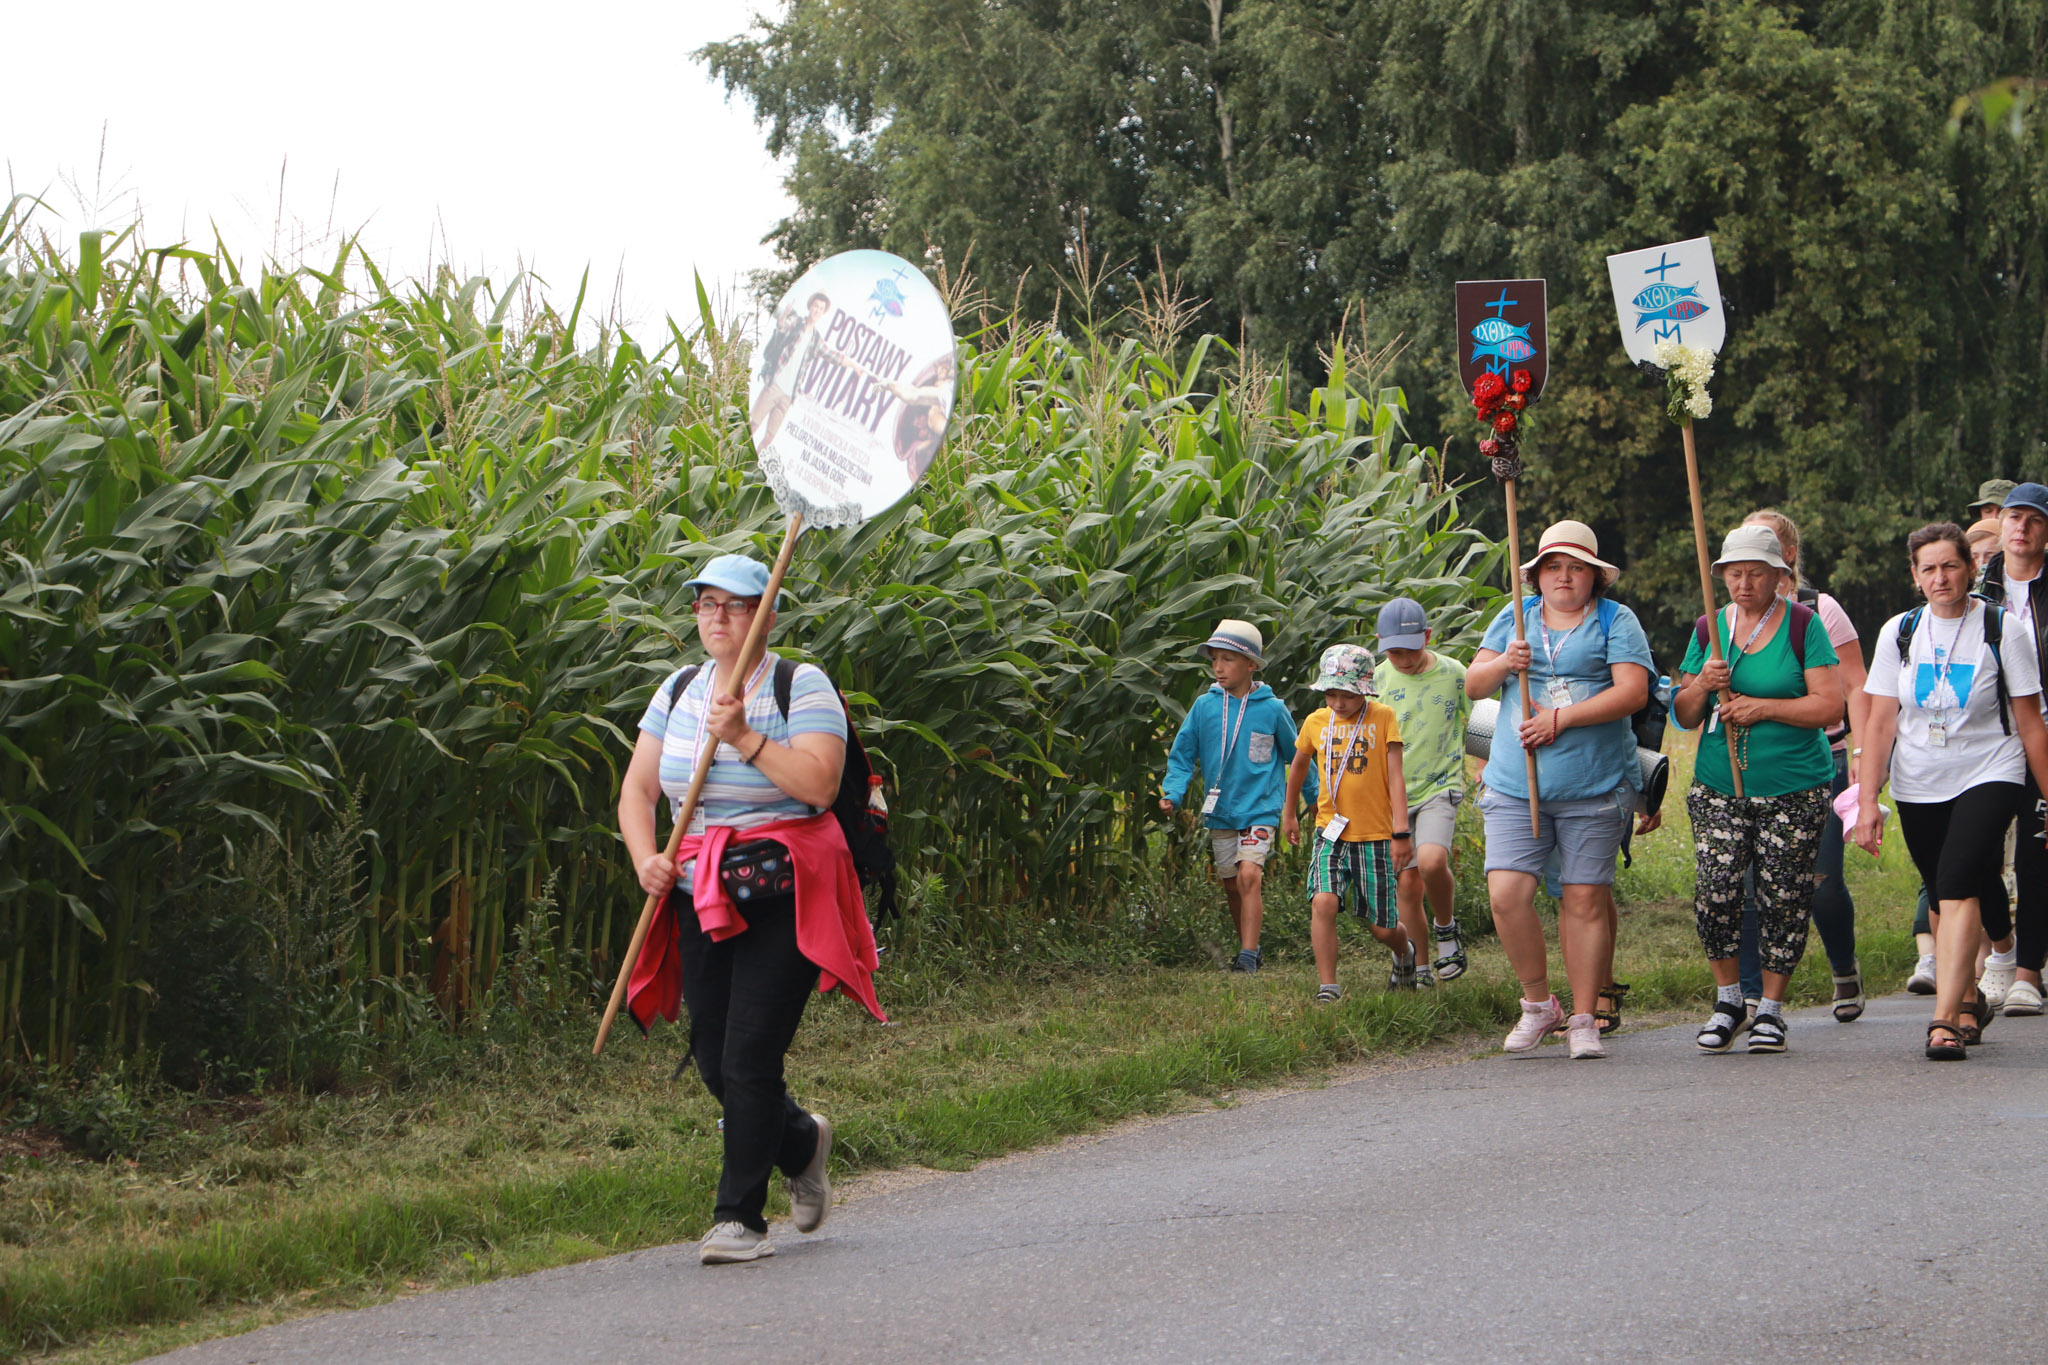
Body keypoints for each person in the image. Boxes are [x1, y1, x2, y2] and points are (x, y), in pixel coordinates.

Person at [618, 553, 883, 1264]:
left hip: (786, 895)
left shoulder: (802, 684)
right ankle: (800, 1141)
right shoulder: (678, 690)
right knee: (713, 1057)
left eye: (735, 604)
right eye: (707, 603)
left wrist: (743, 738)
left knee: (749, 1054)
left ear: (766, 615)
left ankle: (739, 1217)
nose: (718, 616)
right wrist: (646, 857)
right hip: (698, 894)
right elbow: (639, 790)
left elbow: (819, 785)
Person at [1854, 524, 2048, 1060]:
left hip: (1991, 769)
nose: (1941, 577)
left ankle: (1943, 1021)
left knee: (1958, 883)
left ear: (1970, 569)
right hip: (1918, 779)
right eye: (1929, 569)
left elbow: (2031, 723)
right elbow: (1880, 722)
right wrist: (1868, 800)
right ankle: (1967, 1000)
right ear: (1915, 576)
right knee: (1943, 890)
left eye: (1951, 566)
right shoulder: (1899, 632)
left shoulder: (2002, 628)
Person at [1465, 520, 1654, 1060]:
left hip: (1594, 786)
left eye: (1576, 567)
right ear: (1537, 575)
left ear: (1595, 576)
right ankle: (1537, 1004)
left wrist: (1561, 719)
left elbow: (1633, 693)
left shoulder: (1616, 620)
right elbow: (1474, 685)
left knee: (1583, 900)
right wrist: (1506, 662)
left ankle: (1584, 1016)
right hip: (1514, 785)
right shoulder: (1515, 616)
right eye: (1554, 567)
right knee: (1507, 895)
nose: (1564, 577)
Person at [1673, 525, 1844, 1053]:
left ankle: (1770, 1008)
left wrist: (1764, 708)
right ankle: (1729, 1001)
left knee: (1784, 895)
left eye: (1755, 574)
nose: (1743, 584)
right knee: (1716, 888)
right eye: (1734, 573)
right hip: (1719, 785)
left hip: (1794, 786)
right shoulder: (1708, 627)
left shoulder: (1803, 624)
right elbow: (1684, 714)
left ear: (1778, 576)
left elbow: (1829, 706)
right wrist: (1703, 684)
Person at [1731, 509, 1870, 1023]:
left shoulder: (1818, 610)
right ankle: (1750, 997)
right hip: (1750, 764)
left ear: (1786, 555)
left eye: (1763, 542)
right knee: (1749, 886)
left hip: (1820, 760)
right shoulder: (1727, 616)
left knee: (1820, 884)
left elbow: (1854, 684)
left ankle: (1843, 966)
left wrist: (1863, 756)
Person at [1161, 620, 1302, 973]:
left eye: (1228, 659)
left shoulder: (1272, 709)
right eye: (1214, 660)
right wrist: (1173, 792)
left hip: (1261, 808)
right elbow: (1182, 755)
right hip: (1221, 809)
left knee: (1249, 875)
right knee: (1232, 885)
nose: (1218, 667)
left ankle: (1248, 956)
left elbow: (1299, 756)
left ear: (1251, 664)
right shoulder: (1204, 707)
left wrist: (1313, 797)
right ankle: (1248, 947)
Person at [1283, 645, 1413, 1000]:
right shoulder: (1316, 721)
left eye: (1347, 695)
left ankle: (1405, 952)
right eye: (1331, 694)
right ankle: (1329, 986)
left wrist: (1401, 831)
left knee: (1382, 929)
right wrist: (1290, 812)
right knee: (1323, 902)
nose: (1338, 703)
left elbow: (1396, 776)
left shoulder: (1383, 717)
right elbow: (1298, 764)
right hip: (1330, 831)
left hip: (1375, 835)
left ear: (1365, 691)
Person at [1976, 481, 2048, 1014]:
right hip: (1987, 738)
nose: (2022, 528)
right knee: (1976, 851)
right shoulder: (1978, 589)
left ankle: (2028, 972)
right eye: (2015, 517)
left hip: (2043, 732)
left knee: (2035, 854)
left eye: (2035, 519)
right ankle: (2001, 949)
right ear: (2000, 523)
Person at [1373, 597, 1471, 984]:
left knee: (1431, 861)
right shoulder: (1376, 681)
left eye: (1410, 650)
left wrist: (1486, 765)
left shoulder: (1455, 674)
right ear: (1380, 644)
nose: (1403, 660)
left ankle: (1446, 927)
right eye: (1394, 652)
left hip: (1439, 786)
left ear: (1427, 637)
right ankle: (1421, 967)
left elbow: (1481, 721)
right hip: (1391, 794)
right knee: (1407, 884)